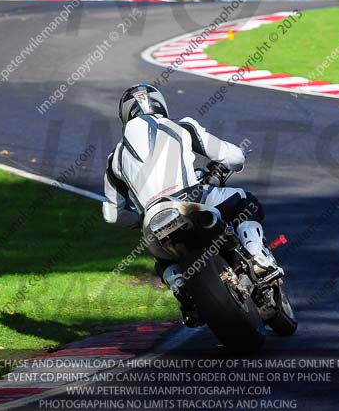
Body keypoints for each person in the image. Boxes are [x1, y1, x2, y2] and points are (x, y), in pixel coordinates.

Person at [102, 84, 279, 325]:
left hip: (152, 219)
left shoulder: (114, 159)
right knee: (244, 201)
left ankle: (180, 288)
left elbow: (112, 214)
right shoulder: (182, 124)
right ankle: (257, 256)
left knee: (162, 260)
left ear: (124, 114)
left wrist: (139, 220)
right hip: (190, 198)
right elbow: (231, 155)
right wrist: (237, 160)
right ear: (159, 103)